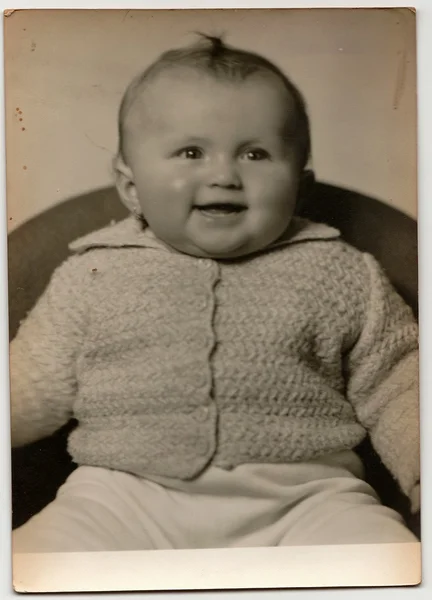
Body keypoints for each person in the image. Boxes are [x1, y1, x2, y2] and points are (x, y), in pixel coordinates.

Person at [10, 35, 420, 552]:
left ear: (300, 184)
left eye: (255, 153)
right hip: (123, 497)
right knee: (36, 556)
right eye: (190, 152)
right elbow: (29, 380)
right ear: (130, 185)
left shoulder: (340, 271)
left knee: (384, 555)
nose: (224, 175)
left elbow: (399, 380)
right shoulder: (93, 274)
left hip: (308, 498)